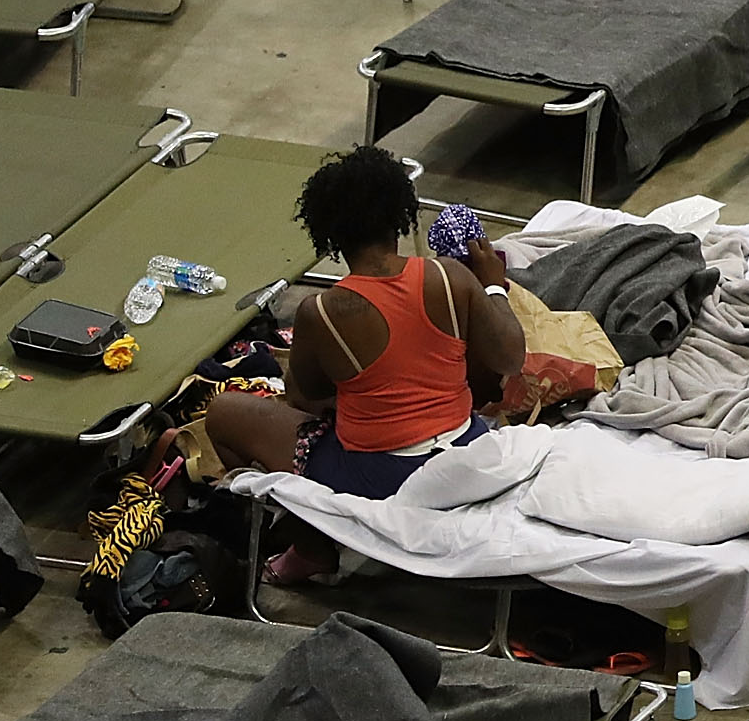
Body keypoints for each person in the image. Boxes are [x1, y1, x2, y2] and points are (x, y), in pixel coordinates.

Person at [206, 147, 525, 576]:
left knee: (224, 413)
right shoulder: (450, 276)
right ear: (401, 216)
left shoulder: (322, 311)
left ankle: (311, 547)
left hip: (379, 478)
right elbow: (510, 355)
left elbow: (303, 397)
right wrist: (494, 286)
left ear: (330, 234)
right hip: (464, 450)